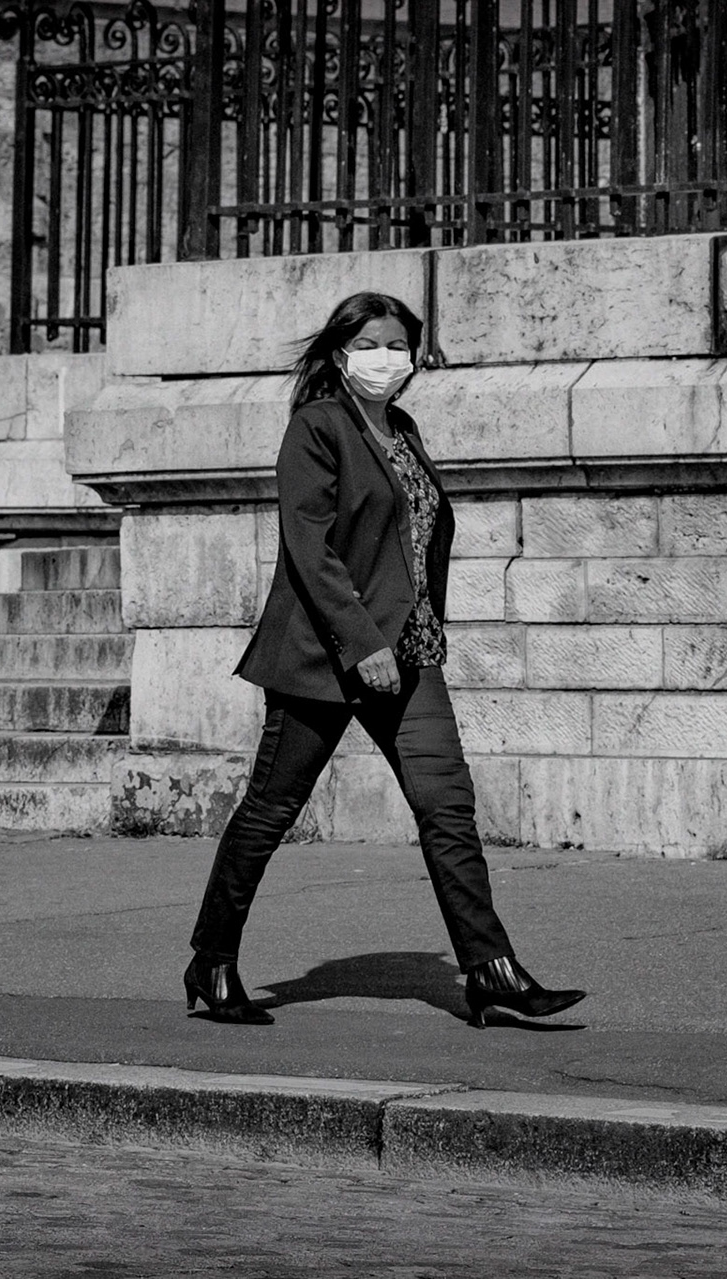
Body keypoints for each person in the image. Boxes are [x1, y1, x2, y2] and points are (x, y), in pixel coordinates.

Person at [182, 292, 586, 1028]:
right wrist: (363, 643)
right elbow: (311, 545)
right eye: (371, 343)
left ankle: (490, 968)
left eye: (399, 345)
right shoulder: (317, 428)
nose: (386, 358)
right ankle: (211, 960)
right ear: (341, 352)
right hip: (327, 657)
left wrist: (412, 632)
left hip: (414, 652)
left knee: (448, 808)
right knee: (271, 810)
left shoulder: (402, 428)